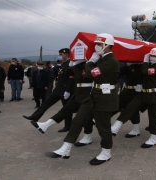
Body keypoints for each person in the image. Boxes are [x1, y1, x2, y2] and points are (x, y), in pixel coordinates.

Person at [49, 33, 120, 165]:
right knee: (77, 121)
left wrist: (91, 62)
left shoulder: (111, 61)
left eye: (99, 44)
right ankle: (66, 147)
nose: (97, 47)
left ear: (108, 46)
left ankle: (106, 153)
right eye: (96, 44)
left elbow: (90, 74)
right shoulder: (102, 59)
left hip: (105, 98)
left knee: (103, 127)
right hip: (93, 95)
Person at [30, 57, 94, 146]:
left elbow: (87, 75)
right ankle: (46, 125)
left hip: (88, 93)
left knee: (87, 117)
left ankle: (91, 137)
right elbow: (68, 73)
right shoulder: (79, 64)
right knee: (65, 110)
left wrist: (89, 62)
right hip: (78, 92)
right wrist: (72, 64)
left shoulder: (92, 64)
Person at [111, 48, 156, 149]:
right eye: (151, 55)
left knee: (153, 117)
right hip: (143, 93)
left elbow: (147, 72)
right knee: (130, 107)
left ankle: (153, 138)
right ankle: (116, 126)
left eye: (154, 56)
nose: (151, 57)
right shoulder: (146, 65)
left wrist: (144, 61)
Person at [23, 48, 75, 133]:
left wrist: (68, 90)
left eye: (61, 54)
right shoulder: (64, 63)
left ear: (66, 54)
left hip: (65, 90)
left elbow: (71, 78)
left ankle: (67, 126)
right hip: (58, 89)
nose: (60, 56)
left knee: (66, 109)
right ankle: (35, 116)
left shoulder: (70, 63)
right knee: (47, 102)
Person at [111, 62, 143, 138]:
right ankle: (136, 130)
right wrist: (127, 65)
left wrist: (143, 63)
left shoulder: (143, 66)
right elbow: (119, 72)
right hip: (126, 90)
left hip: (138, 92)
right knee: (116, 105)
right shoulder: (130, 65)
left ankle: (117, 126)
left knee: (130, 109)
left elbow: (139, 74)